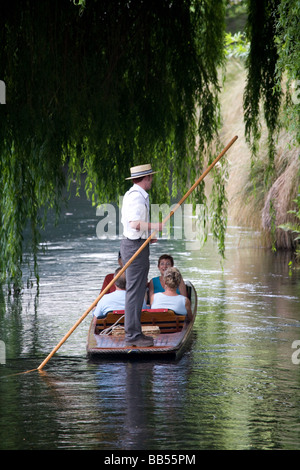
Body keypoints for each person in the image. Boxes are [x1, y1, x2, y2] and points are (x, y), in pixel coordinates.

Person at [120, 163, 163, 347]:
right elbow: (134, 223)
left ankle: (134, 334)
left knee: (136, 291)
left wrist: (148, 237)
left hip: (135, 243)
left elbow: (136, 227)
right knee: (135, 292)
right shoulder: (137, 197)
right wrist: (155, 226)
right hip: (134, 247)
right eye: (151, 177)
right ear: (146, 178)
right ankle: (133, 336)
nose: (152, 180)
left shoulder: (134, 194)